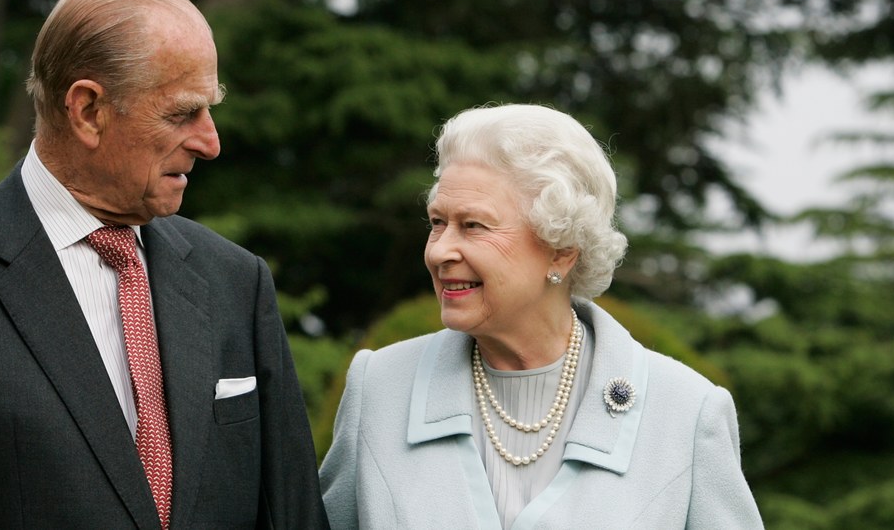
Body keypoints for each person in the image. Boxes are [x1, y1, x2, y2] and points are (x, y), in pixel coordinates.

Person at [0, 0, 329, 529]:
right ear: (87, 110)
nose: (211, 143)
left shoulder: (236, 281)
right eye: (183, 113)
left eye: (210, 109)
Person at [319, 104, 764, 529]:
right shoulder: (379, 388)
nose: (439, 251)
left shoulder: (686, 413)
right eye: (438, 222)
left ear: (561, 250)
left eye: (473, 226)